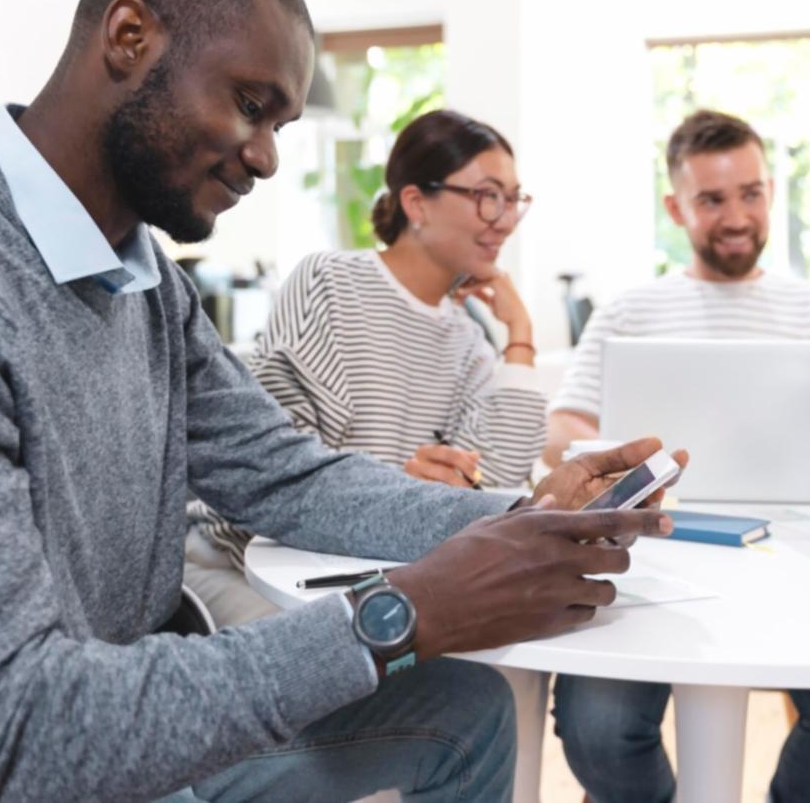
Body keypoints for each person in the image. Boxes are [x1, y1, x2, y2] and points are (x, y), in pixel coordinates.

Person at [0, 0, 674, 803]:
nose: (263, 157)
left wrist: (517, 514)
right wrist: (400, 613)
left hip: (128, 707)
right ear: (128, 37)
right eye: (251, 106)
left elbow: (289, 477)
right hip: (1, 766)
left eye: (282, 125)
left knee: (466, 711)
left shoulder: (146, 286)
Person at [545, 109, 810, 803]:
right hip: (650, 553)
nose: (737, 216)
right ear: (676, 207)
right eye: (713, 199)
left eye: (751, 193)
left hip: (800, 558)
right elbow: (565, 429)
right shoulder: (631, 311)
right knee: (599, 728)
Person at [185, 107, 547, 628]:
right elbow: (277, 476)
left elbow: (501, 486)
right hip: (246, 564)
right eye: (488, 196)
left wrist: (521, 338)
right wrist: (404, 492)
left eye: (514, 199)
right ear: (416, 202)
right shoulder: (329, 283)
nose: (506, 218)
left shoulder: (469, 340)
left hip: (364, 573)